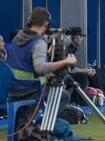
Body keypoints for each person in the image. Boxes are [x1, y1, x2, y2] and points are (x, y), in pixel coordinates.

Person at [7, 7, 77, 138]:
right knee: (63, 96)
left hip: (13, 89)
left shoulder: (18, 37)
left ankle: (23, 122)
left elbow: (24, 60)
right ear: (46, 24)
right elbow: (40, 68)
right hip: (31, 90)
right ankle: (41, 127)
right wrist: (66, 61)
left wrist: (46, 54)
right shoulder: (38, 42)